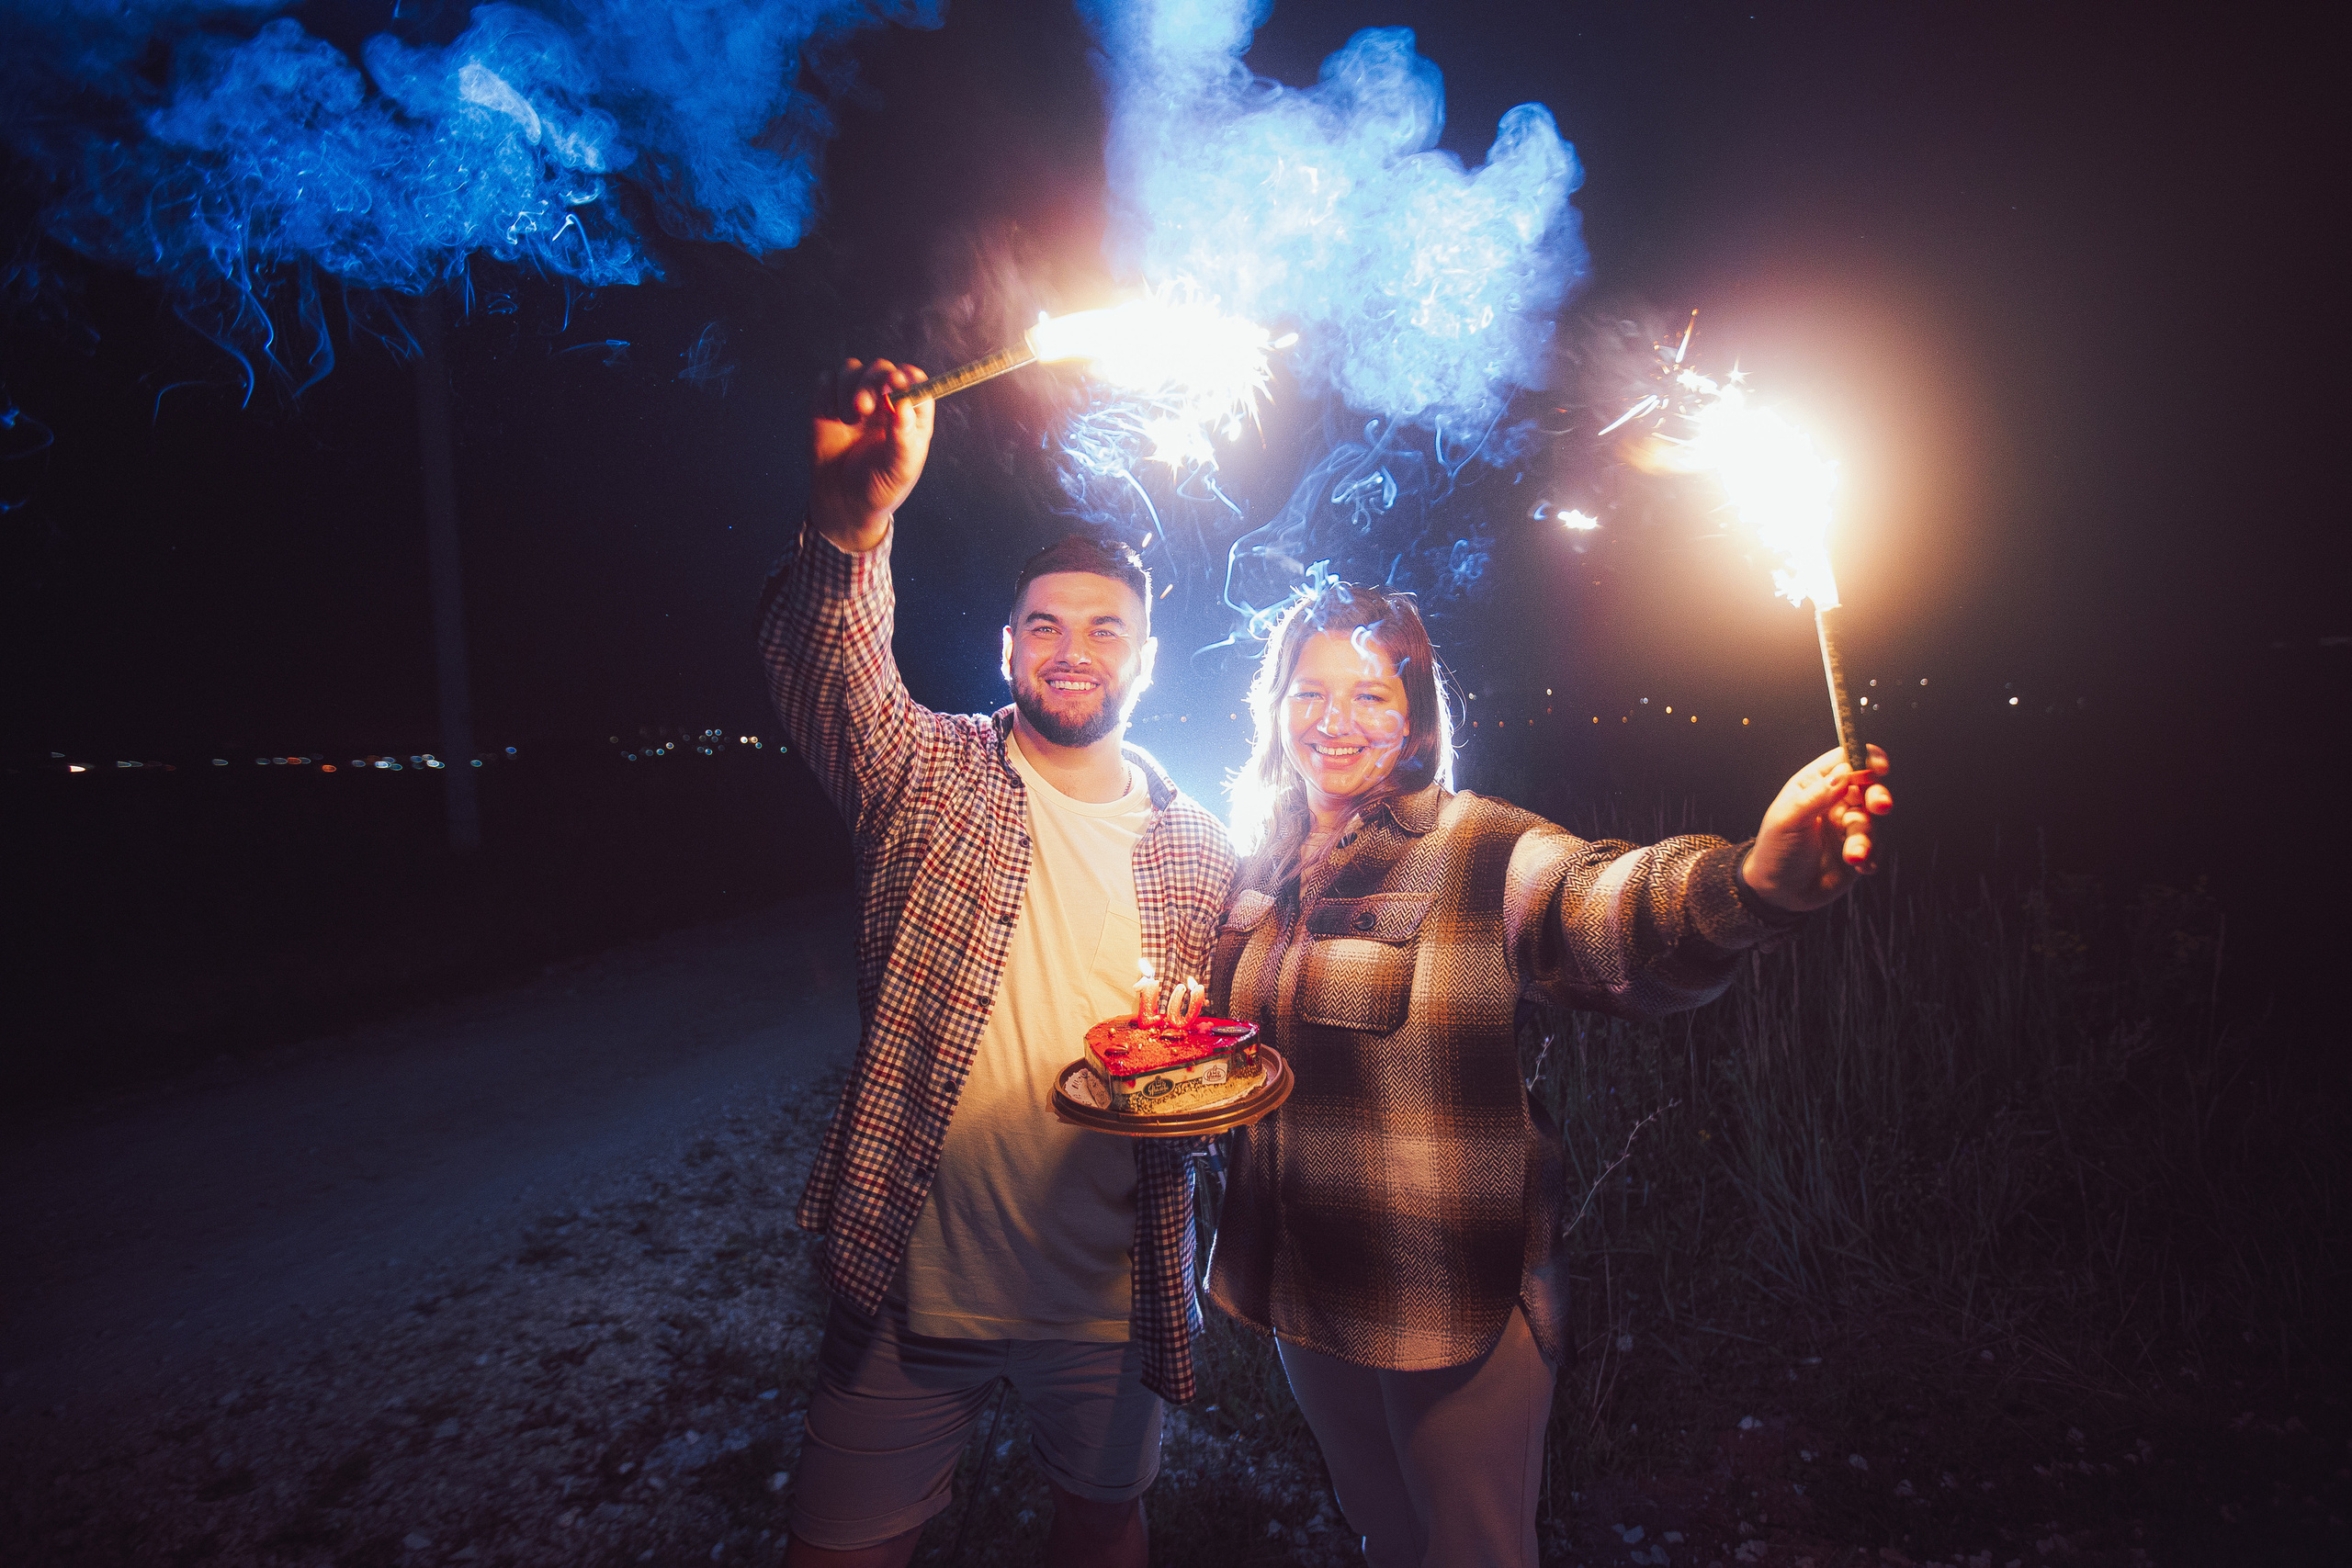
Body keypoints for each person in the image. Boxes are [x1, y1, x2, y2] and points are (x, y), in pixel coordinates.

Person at [1203, 581, 1893, 1568]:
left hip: (1448, 1286)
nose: (1334, 722)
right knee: (1382, 1534)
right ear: (1274, 707)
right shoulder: (1258, 868)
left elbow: (1602, 910)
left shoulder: (1480, 846)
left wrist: (1745, 887)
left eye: (1370, 696)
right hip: (1300, 1281)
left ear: (1418, 714)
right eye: (1308, 694)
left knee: (1473, 1550)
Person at [761, 359, 1235, 1567]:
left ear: (1145, 657)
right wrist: (854, 519)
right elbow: (828, 668)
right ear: (1007, 642)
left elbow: (1229, 1048)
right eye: (1045, 624)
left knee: (1102, 1524)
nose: (1072, 650)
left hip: (1107, 1297)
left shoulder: (1202, 844)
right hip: (915, 1279)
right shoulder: (924, 773)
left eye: (1104, 629)